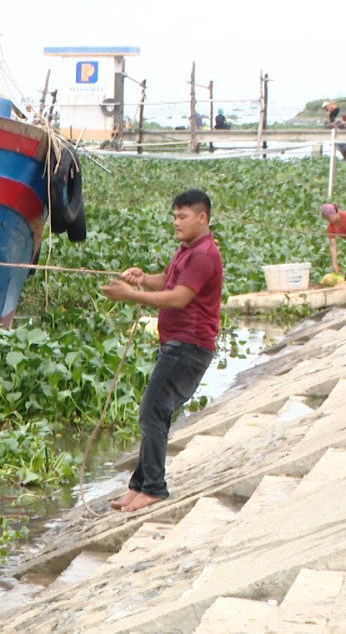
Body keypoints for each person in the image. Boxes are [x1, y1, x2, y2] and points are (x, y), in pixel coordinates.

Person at [101, 189, 223, 513]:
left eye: (183, 216)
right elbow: (167, 283)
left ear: (202, 218)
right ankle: (139, 486)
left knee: (152, 411)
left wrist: (130, 295)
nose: (176, 222)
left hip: (189, 345)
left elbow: (178, 298)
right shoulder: (187, 251)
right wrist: (142, 279)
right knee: (155, 412)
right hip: (177, 343)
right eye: (174, 216)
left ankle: (154, 488)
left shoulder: (203, 254)